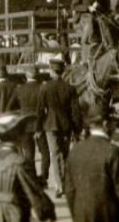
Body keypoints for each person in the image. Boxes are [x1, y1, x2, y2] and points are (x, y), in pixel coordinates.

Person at [0, 114, 55, 222]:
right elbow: (31, 190)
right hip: (14, 212)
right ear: (17, 136)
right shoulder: (19, 162)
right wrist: (46, 212)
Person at [64, 111, 119, 222]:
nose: (115, 127)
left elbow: (69, 190)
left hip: (81, 214)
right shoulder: (114, 152)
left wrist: (76, 213)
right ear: (105, 124)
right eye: (114, 123)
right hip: (109, 216)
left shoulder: (75, 151)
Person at [38, 57, 82, 197]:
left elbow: (40, 110)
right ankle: (66, 182)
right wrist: (77, 129)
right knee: (65, 154)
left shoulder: (45, 87)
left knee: (55, 155)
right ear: (62, 71)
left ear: (51, 71)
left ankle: (60, 185)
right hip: (66, 125)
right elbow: (76, 111)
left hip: (51, 125)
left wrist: (39, 127)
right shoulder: (70, 88)